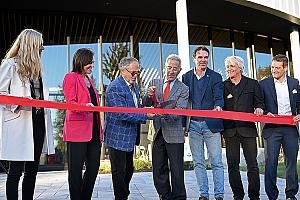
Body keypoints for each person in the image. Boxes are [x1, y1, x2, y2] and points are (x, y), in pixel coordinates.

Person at [0, 29, 55, 200]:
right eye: (40, 47)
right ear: (30, 46)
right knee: (15, 171)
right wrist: (20, 101)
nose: (41, 50)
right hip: (18, 123)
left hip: (38, 121)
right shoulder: (10, 65)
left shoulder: (40, 69)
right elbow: (1, 94)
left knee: (32, 171)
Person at [104, 57, 155, 200]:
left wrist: (146, 108)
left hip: (129, 137)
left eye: (137, 73)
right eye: (133, 73)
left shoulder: (134, 86)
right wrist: (146, 116)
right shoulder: (115, 87)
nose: (135, 76)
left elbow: (135, 108)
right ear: (122, 70)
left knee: (128, 170)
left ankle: (123, 195)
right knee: (119, 172)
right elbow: (122, 113)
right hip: (117, 137)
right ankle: (121, 197)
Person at [143, 54, 189, 200]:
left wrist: (161, 111)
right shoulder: (153, 82)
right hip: (156, 132)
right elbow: (145, 104)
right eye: (169, 67)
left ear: (179, 70)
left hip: (174, 133)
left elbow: (180, 110)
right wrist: (148, 95)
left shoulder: (184, 88)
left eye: (175, 68)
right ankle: (164, 195)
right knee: (158, 167)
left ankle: (179, 197)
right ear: (164, 67)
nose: (171, 71)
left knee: (176, 169)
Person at [182, 45, 224, 200]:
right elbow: (184, 101)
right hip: (193, 125)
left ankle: (219, 195)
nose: (203, 60)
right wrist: (182, 125)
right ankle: (203, 194)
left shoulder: (215, 76)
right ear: (194, 59)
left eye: (206, 57)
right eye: (200, 57)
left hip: (211, 125)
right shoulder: (186, 77)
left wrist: (218, 106)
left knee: (217, 162)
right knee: (198, 162)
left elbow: (219, 95)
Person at [62, 48, 102, 200]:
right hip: (77, 131)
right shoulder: (71, 77)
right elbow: (70, 103)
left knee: (93, 168)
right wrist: (85, 107)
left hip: (94, 131)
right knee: (75, 171)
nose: (92, 65)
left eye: (93, 62)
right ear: (81, 61)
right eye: (89, 62)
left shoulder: (90, 80)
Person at [223, 56, 264, 200]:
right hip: (230, 131)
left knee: (252, 165)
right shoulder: (223, 85)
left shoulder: (252, 84)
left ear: (240, 67)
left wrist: (259, 108)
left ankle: (254, 196)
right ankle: (238, 195)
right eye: (227, 67)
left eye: (231, 66)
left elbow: (259, 102)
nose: (229, 69)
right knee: (232, 165)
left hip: (248, 130)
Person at [259, 54, 300, 200]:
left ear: (285, 68)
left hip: (290, 128)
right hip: (271, 128)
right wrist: (264, 111)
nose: (274, 70)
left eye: (277, 67)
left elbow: (299, 102)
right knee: (271, 163)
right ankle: (272, 195)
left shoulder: (295, 83)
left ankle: (291, 194)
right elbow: (259, 103)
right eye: (272, 67)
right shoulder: (263, 84)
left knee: (291, 162)